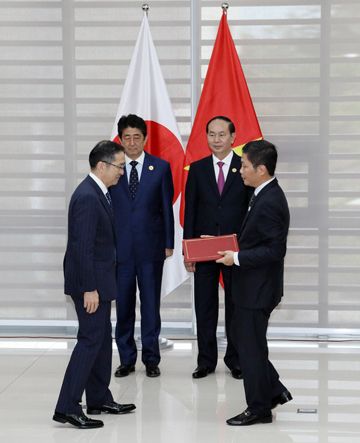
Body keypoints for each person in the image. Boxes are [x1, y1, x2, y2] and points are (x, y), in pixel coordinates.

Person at [53, 140, 136, 429]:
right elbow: (82, 247)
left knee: (101, 337)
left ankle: (98, 397)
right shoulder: (88, 196)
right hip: (90, 283)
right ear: (102, 165)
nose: (122, 173)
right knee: (90, 340)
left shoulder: (99, 192)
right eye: (120, 167)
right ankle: (67, 406)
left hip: (100, 280)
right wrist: (89, 288)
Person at [216, 139, 292, 426]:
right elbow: (253, 237)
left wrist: (236, 258)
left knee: (250, 349)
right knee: (249, 343)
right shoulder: (262, 193)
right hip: (251, 287)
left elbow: (274, 250)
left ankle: (259, 409)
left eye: (245, 166)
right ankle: (273, 390)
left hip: (258, 289)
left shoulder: (270, 199)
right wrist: (223, 245)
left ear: (261, 169)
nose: (240, 171)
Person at [183, 116, 251, 379]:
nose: (216, 139)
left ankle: (235, 359)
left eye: (222, 134)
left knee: (235, 304)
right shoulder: (197, 169)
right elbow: (190, 211)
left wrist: (245, 248)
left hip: (234, 250)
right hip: (203, 249)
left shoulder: (244, 167)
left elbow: (249, 209)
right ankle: (206, 360)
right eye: (211, 134)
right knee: (205, 305)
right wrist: (188, 249)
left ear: (233, 137)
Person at [110, 114, 174, 378]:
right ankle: (126, 358)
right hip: (121, 251)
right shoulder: (112, 168)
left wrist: (169, 243)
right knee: (124, 305)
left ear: (145, 139)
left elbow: (166, 208)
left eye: (137, 137)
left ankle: (151, 358)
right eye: (127, 137)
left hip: (151, 250)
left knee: (150, 306)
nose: (133, 142)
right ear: (120, 139)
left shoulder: (160, 167)